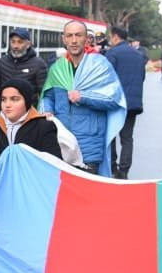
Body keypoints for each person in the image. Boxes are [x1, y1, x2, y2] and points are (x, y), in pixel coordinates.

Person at [40, 20, 127, 176]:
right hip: (62, 143)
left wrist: (83, 97)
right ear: (63, 39)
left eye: (78, 35)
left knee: (87, 197)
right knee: (63, 196)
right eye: (69, 36)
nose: (74, 40)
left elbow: (114, 100)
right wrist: (47, 110)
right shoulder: (57, 68)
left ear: (86, 39)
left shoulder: (100, 65)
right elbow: (48, 97)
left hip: (88, 147)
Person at [0, 77, 62, 190]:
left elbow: (53, 164)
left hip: (29, 194)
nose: (7, 104)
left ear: (27, 101)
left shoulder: (43, 127)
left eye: (15, 99)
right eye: (4, 99)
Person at [105, 26, 146, 179]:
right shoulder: (138, 54)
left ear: (115, 37)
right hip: (133, 103)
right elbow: (141, 77)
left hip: (116, 103)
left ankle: (113, 167)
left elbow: (107, 78)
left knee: (111, 135)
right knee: (127, 138)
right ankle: (124, 171)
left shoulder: (112, 53)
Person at [0, 27, 49, 105]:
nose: (15, 46)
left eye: (20, 42)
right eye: (13, 42)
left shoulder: (38, 64)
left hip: (27, 113)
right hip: (4, 110)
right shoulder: (3, 61)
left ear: (28, 44)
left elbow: (44, 92)